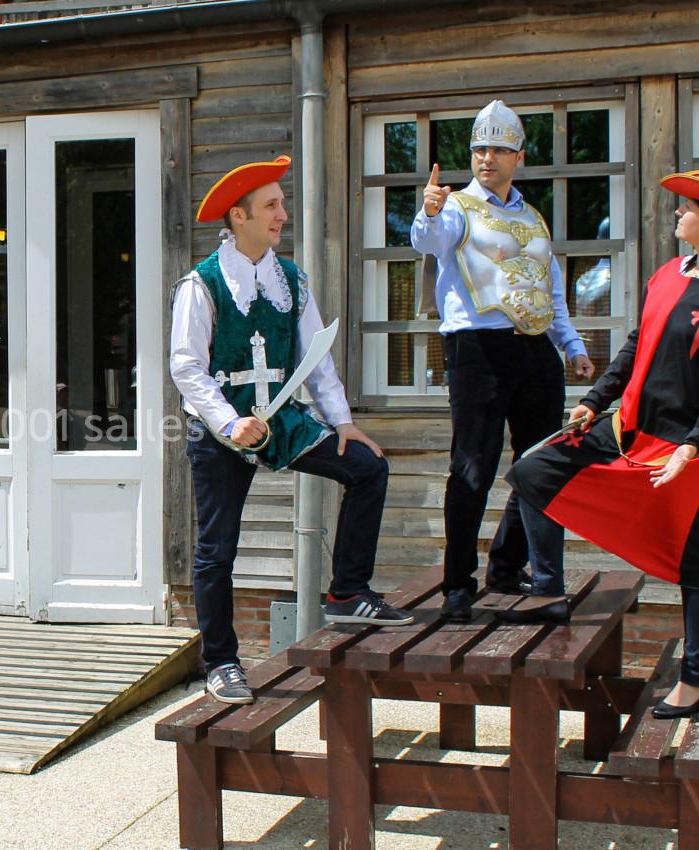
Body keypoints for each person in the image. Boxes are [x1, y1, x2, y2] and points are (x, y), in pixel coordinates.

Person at [170, 157, 411, 705]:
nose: (283, 215)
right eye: (273, 206)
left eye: (282, 203)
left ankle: (348, 591)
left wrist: (343, 421)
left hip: (279, 419)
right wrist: (231, 422)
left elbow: (316, 360)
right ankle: (222, 662)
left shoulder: (291, 280)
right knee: (217, 550)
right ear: (240, 216)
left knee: (367, 468)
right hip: (221, 427)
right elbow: (186, 367)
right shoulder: (201, 285)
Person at [509, 170, 699, 715]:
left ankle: (694, 682)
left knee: (696, 568)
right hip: (626, 431)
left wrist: (691, 446)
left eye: (685, 207)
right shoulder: (667, 274)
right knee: (532, 469)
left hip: (683, 448)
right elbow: (637, 344)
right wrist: (596, 399)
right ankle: (549, 585)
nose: (677, 214)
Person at [411, 99, 595, 624]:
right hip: (477, 349)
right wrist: (427, 210)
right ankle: (457, 584)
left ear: (519, 155)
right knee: (472, 468)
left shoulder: (532, 216)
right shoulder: (453, 206)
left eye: (497, 149)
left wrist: (573, 345)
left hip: (535, 349)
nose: (486, 158)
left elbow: (549, 289)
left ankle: (510, 566)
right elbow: (428, 242)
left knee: (540, 463)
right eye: (479, 148)